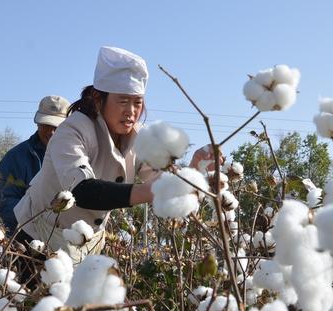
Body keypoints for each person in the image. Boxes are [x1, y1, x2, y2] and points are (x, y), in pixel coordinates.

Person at [13, 46, 214, 261]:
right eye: (123, 101)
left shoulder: (139, 137)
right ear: (99, 99)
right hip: (39, 237)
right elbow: (81, 191)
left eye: (137, 103)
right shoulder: (72, 130)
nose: (131, 111)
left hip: (87, 241)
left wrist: (195, 169)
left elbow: (162, 181)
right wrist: (149, 191)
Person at [0, 95, 71, 233]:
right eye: (46, 125)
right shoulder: (15, 158)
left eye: (57, 127)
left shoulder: (82, 156)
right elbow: (2, 201)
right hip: (27, 242)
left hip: (71, 237)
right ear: (38, 123)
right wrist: (37, 218)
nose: (51, 132)